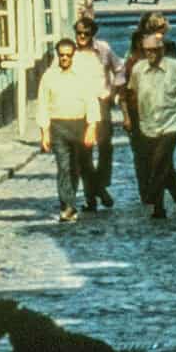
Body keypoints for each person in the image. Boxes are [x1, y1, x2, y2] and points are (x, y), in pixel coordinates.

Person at [121, 30, 176, 220]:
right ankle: (172, 204)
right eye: (147, 50)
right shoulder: (138, 69)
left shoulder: (175, 67)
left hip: (172, 122)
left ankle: (152, 195)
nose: (151, 54)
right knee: (165, 166)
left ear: (162, 50)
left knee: (159, 160)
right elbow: (131, 93)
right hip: (149, 123)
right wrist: (129, 117)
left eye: (154, 50)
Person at [37, 38, 100, 223]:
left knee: (76, 167)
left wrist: (92, 127)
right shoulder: (49, 77)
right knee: (63, 167)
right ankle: (67, 206)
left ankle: (76, 201)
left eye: (68, 55)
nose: (65, 58)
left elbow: (91, 101)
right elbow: (43, 105)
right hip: (58, 126)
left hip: (79, 125)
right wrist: (44, 132)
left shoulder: (82, 76)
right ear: (57, 55)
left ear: (73, 55)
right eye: (61, 55)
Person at [123, 12, 176, 204]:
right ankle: (147, 191)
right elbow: (125, 88)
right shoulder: (133, 58)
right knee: (142, 154)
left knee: (161, 153)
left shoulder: (169, 48)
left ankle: (160, 190)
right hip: (139, 110)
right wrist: (126, 115)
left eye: (162, 31)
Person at [72, 17, 124, 211]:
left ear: (93, 34)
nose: (82, 36)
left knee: (104, 147)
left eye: (86, 33)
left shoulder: (103, 49)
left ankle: (100, 185)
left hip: (101, 101)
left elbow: (120, 70)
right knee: (83, 152)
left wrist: (113, 93)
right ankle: (95, 194)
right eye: (79, 33)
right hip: (79, 104)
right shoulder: (71, 51)